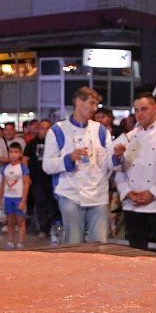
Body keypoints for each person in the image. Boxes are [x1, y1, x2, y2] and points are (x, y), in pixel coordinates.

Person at [112, 94, 156, 255]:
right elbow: (118, 170)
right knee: (136, 254)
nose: (140, 114)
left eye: (144, 109)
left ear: (155, 108)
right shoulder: (129, 137)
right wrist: (127, 192)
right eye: (136, 110)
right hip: (133, 205)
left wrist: (153, 193)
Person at [43, 87, 114, 244]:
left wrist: (117, 157)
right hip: (70, 195)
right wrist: (69, 158)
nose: (94, 108)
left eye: (96, 104)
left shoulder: (101, 131)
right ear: (78, 102)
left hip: (99, 195)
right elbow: (47, 165)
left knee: (100, 246)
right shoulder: (57, 130)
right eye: (91, 103)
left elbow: (109, 163)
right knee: (75, 246)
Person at [23, 119, 60, 237]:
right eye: (43, 128)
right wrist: (26, 176)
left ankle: (55, 227)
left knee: (54, 204)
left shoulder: (56, 144)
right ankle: (43, 229)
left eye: (48, 128)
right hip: (37, 180)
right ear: (39, 129)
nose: (46, 131)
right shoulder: (32, 143)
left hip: (52, 179)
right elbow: (25, 160)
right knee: (40, 204)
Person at [0, 122, 26, 227]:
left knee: (17, 195)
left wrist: (11, 160)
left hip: (17, 174)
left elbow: (22, 156)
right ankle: (2, 220)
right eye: (6, 130)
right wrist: (13, 160)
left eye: (10, 129)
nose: (8, 132)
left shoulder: (20, 141)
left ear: (14, 131)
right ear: (3, 131)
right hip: (0, 173)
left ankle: (16, 221)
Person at [0, 143, 31, 250]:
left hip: (18, 198)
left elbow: (26, 184)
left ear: (20, 154)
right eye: (11, 152)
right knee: (10, 221)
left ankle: (21, 242)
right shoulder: (5, 168)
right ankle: (10, 241)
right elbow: (3, 184)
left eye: (16, 152)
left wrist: (24, 200)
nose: (13, 155)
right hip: (8, 197)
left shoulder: (23, 168)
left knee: (20, 221)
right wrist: (0, 198)